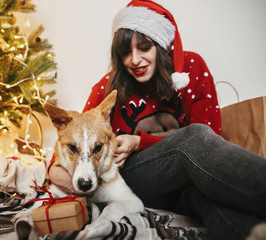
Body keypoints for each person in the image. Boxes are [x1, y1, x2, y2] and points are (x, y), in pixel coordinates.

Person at [48, 0, 266, 239]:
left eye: (144, 47)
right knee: (193, 137)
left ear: (161, 44)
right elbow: (69, 147)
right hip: (133, 179)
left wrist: (139, 141)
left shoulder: (192, 69)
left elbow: (210, 138)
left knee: (203, 195)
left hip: (187, 181)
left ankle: (250, 232)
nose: (135, 59)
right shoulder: (107, 89)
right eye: (125, 52)